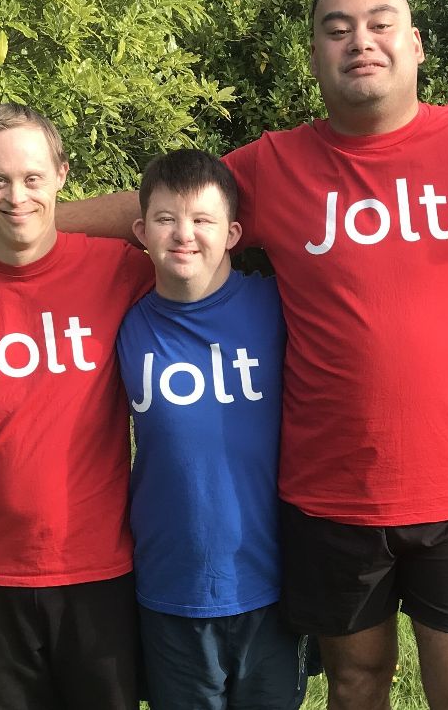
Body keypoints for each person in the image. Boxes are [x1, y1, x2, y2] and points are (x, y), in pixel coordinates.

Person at [0, 0, 448, 709]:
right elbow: (159, 208)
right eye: (336, 29)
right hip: (331, 494)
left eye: (381, 25)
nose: (360, 42)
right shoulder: (278, 164)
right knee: (355, 684)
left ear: (416, 44)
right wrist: (8, 225)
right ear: (313, 53)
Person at [0, 103, 155, 708]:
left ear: (62, 174)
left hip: (104, 564)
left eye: (33, 178)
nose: (17, 196)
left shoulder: (119, 270)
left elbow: (160, 211)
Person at [116, 149, 308, 709]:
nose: (184, 235)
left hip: (270, 585)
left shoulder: (277, 305)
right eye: (166, 219)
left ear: (233, 233)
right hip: (169, 588)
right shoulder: (123, 321)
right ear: (140, 231)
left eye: (203, 220)